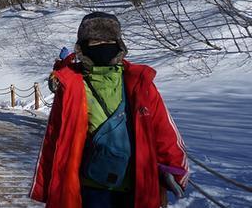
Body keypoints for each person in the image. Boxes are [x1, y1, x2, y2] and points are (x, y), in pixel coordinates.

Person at [30, 12, 189, 208]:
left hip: (136, 187)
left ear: (118, 44)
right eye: (95, 42)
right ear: (83, 47)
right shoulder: (72, 86)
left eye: (108, 40)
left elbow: (163, 130)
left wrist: (173, 169)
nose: (102, 46)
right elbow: (54, 138)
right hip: (88, 188)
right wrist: (46, 185)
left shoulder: (139, 83)